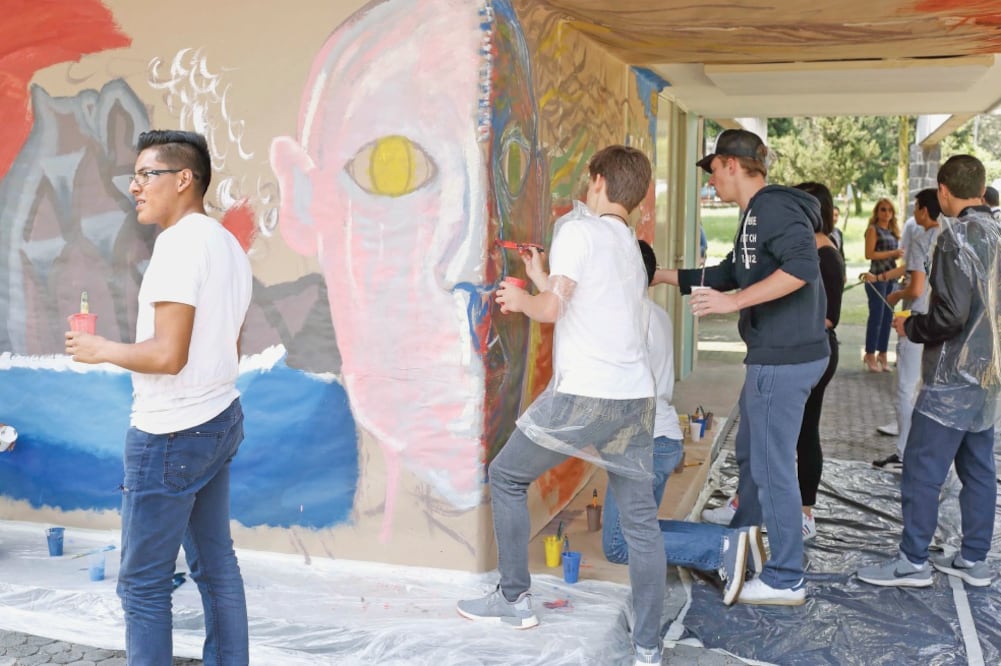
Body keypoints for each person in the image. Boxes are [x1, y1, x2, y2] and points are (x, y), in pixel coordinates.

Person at [457, 146, 667, 666]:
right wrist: (541, 276)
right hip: (634, 399)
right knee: (641, 524)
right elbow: (583, 301)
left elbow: (553, 309)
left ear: (597, 181)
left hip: (586, 396)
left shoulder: (579, 231)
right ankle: (648, 646)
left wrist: (522, 300)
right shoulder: (628, 246)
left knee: (506, 476)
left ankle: (513, 600)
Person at [65, 130, 252, 665]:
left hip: (170, 432)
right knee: (216, 567)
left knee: (143, 585)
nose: (135, 187)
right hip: (218, 418)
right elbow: (229, 345)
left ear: (184, 179)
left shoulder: (178, 246)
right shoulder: (226, 245)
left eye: (147, 174)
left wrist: (101, 349)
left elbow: (170, 356)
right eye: (135, 176)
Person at [653, 129, 829, 605]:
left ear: (732, 164)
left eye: (713, 170)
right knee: (753, 453)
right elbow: (730, 270)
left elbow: (802, 267)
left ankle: (785, 577)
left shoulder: (773, 208)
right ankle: (741, 537)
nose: (710, 180)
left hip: (784, 357)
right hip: (776, 355)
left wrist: (734, 302)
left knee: (773, 469)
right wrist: (662, 276)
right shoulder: (754, 214)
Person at [857, 154, 1000, 589]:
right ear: (981, 189)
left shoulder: (955, 238)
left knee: (922, 466)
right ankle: (974, 558)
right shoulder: (997, 232)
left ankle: (912, 562)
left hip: (952, 377)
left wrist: (913, 326)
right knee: (979, 468)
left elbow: (951, 315)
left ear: (942, 191)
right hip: (989, 376)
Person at [601, 240, 766, 606]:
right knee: (639, 530)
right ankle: (733, 543)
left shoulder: (625, 320)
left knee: (620, 542)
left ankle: (723, 546)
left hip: (642, 443)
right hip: (661, 438)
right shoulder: (655, 314)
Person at [868, 189, 942, 473]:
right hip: (940, 322)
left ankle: (904, 453)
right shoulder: (949, 237)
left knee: (906, 388)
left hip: (916, 319)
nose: (913, 212)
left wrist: (897, 295)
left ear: (924, 210)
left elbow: (916, 286)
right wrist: (880, 276)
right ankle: (924, 452)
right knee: (926, 388)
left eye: (916, 206)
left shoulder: (924, 239)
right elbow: (908, 269)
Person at [791, 182, 843, 541]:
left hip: (816, 353)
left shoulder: (826, 257)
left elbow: (828, 318)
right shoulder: (809, 250)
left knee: (805, 431)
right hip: (803, 351)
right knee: (793, 432)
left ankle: (804, 511)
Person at [862, 198, 904, 372]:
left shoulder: (893, 231)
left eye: (889, 210)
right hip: (876, 278)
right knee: (876, 317)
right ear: (877, 212)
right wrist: (893, 252)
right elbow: (869, 254)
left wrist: (897, 255)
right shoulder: (873, 230)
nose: (886, 213)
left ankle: (883, 353)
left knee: (887, 318)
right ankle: (870, 353)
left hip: (891, 278)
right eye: (883, 209)